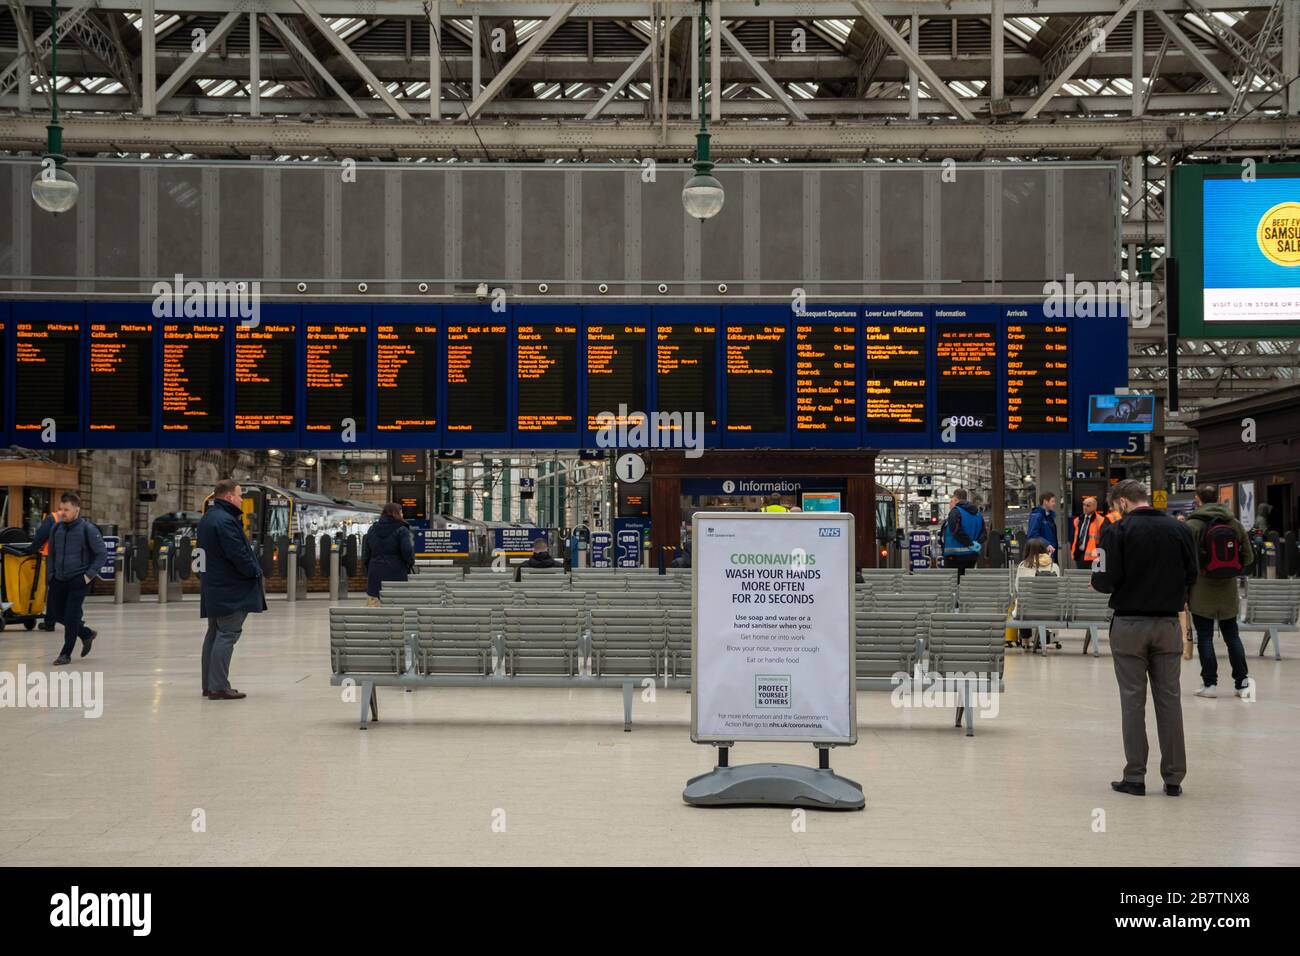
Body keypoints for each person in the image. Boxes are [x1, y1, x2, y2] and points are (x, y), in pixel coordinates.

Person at [1091, 479, 1198, 797]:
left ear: (1122, 502)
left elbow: (1103, 579)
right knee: (1170, 700)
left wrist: (1101, 583)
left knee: (1132, 701)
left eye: (1114, 507)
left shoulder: (1114, 531)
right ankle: (1174, 778)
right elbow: (1192, 573)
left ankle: (1135, 776)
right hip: (1167, 625)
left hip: (1129, 625)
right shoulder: (1180, 529)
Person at [197, 480, 267, 701]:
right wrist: (255, 572)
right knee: (227, 635)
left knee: (214, 634)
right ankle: (218, 686)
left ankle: (209, 684)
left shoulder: (208, 518)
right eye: (239, 496)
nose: (241, 500)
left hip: (214, 588)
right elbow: (238, 554)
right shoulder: (226, 521)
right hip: (231, 589)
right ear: (228, 497)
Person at [1186, 483, 1254, 699]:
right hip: (1228, 590)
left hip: (1201, 589)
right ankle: (1242, 685)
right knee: (1232, 636)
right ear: (1218, 498)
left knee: (1204, 637)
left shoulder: (1193, 525)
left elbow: (1184, 559)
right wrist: (1233, 568)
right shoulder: (1233, 523)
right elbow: (1249, 556)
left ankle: (1210, 685)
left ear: (1198, 499)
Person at [46, 493, 106, 666]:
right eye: (60, 509)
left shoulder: (88, 529)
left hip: (78, 579)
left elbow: (101, 554)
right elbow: (52, 555)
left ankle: (65, 653)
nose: (62, 512)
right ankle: (86, 633)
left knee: (71, 616)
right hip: (58, 579)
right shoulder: (55, 529)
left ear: (76, 509)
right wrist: (51, 576)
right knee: (57, 614)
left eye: (66, 509)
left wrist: (88, 575)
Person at [361, 503, 415, 607]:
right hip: (396, 571)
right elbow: (407, 551)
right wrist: (410, 562)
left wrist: (368, 570)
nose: (403, 514)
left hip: (375, 572)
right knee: (396, 605)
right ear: (397, 513)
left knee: (374, 604)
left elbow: (366, 554)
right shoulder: (402, 529)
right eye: (401, 512)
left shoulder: (372, 529)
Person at [1012, 537, 1060, 649]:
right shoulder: (1054, 566)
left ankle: (1025, 639)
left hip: (1027, 610)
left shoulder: (1023, 566)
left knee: (1022, 601)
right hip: (1051, 609)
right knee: (1039, 600)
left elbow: (1017, 588)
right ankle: (1046, 637)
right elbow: (1058, 589)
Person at [941, 488, 986, 575]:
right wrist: (975, 544)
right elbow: (984, 534)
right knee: (966, 583)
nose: (950, 504)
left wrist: (969, 543)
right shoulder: (978, 514)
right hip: (972, 556)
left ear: (956, 500)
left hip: (954, 556)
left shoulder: (955, 512)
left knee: (952, 584)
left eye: (951, 501)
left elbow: (956, 531)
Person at [30, 510, 60, 631]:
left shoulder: (53, 517)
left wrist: (31, 549)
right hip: (69, 559)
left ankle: (50, 622)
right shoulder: (78, 520)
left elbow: (40, 536)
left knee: (53, 588)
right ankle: (76, 620)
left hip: (52, 557)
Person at [1070, 495, 1106, 568]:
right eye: (1083, 505)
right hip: (1079, 555)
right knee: (1081, 578)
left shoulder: (1101, 520)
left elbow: (1103, 540)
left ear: (1094, 507)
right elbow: (1074, 538)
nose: (1085, 507)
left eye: (1088, 505)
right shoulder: (1078, 520)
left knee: (1092, 578)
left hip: (1094, 557)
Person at [1027, 492, 1059, 557]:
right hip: (1040, 554)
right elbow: (1033, 535)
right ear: (1045, 502)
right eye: (1052, 501)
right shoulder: (1037, 515)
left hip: (1049, 553)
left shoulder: (1049, 517)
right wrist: (1047, 544)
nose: (1054, 504)